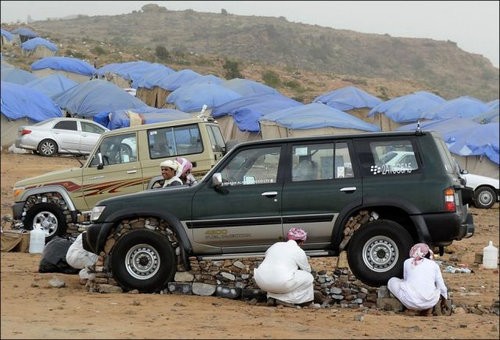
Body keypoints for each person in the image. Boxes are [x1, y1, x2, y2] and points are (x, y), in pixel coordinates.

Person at [253, 227, 315, 307]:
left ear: (288, 238)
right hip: (280, 283)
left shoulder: (275, 245)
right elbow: (307, 270)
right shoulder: (299, 251)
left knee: (278, 277)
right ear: (302, 242)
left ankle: (271, 298)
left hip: (261, 281)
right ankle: (286, 300)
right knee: (308, 277)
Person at [387, 243, 448, 316]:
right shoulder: (434, 265)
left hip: (411, 302)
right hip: (430, 302)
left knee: (392, 281)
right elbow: (442, 287)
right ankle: (427, 310)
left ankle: (412, 310)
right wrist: (444, 302)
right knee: (436, 287)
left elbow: (406, 280)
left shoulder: (407, 262)